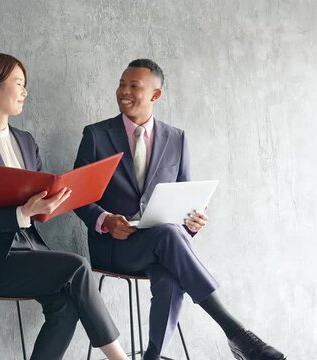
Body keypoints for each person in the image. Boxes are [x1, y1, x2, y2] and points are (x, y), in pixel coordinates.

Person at [73, 59, 286, 360]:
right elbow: (77, 197)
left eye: (134, 86)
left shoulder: (177, 139)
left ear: (155, 95)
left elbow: (185, 198)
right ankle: (237, 334)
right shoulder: (96, 135)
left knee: (169, 272)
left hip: (163, 245)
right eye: (122, 84)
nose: (124, 91)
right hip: (115, 247)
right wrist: (105, 220)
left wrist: (193, 222)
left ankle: (153, 356)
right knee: (169, 239)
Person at [0, 51, 128, 360]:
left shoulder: (26, 141)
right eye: (18, 83)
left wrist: (50, 204)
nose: (25, 91)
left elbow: (37, 211)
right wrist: (22, 212)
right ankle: (119, 358)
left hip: (29, 251)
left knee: (65, 307)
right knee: (78, 265)